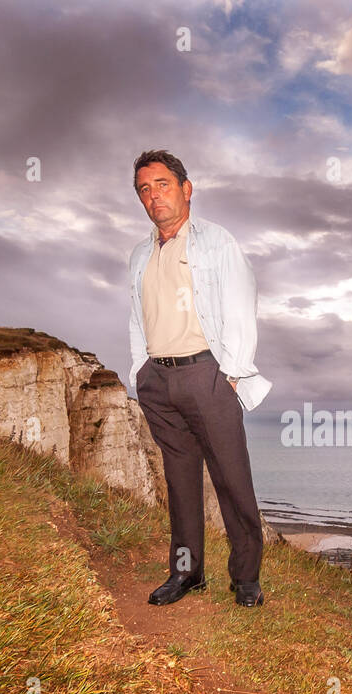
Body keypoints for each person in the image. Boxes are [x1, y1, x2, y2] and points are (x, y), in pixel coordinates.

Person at [127, 149, 271, 607]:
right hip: (159, 379)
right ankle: (187, 574)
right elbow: (138, 317)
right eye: (144, 190)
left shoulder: (216, 242)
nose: (154, 196)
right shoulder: (139, 254)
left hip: (208, 375)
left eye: (162, 185)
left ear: (186, 189)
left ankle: (246, 578)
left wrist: (232, 373)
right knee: (180, 481)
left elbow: (241, 307)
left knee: (232, 480)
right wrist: (139, 371)